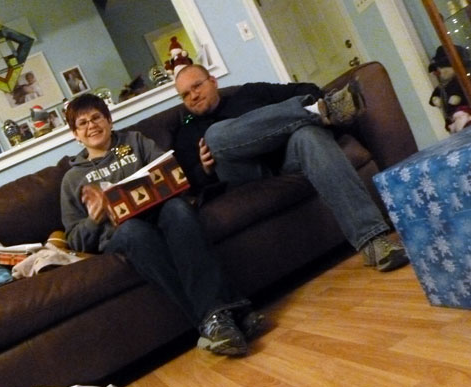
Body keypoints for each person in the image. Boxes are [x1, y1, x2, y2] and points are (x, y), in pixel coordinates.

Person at [60, 93, 264, 356]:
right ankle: (229, 312)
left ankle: (217, 323)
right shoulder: (72, 179)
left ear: (109, 120)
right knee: (136, 232)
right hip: (124, 233)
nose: (92, 126)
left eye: (97, 117)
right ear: (75, 134)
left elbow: (170, 173)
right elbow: (75, 239)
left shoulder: (134, 142)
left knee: (179, 209)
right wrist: (94, 219)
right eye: (83, 123)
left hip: (160, 213)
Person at [173, 64, 409, 272]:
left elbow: (307, 90)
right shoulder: (186, 134)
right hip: (245, 176)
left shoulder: (249, 93)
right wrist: (203, 169)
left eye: (197, 86)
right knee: (213, 135)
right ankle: (320, 113)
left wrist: (311, 105)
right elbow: (188, 183)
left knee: (308, 135)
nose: (193, 96)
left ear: (213, 82)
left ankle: (374, 243)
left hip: (287, 157)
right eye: (185, 95)